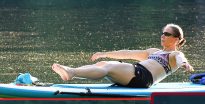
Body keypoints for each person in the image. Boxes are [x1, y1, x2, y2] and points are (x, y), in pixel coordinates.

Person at [52, 23, 194, 88]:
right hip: (136, 72)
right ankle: (71, 72)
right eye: (162, 33)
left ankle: (71, 72)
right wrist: (104, 54)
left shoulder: (174, 54)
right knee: (101, 64)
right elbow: (128, 53)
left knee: (107, 68)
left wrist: (185, 64)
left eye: (167, 34)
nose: (163, 36)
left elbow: (181, 59)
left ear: (176, 39)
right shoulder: (154, 51)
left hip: (143, 77)